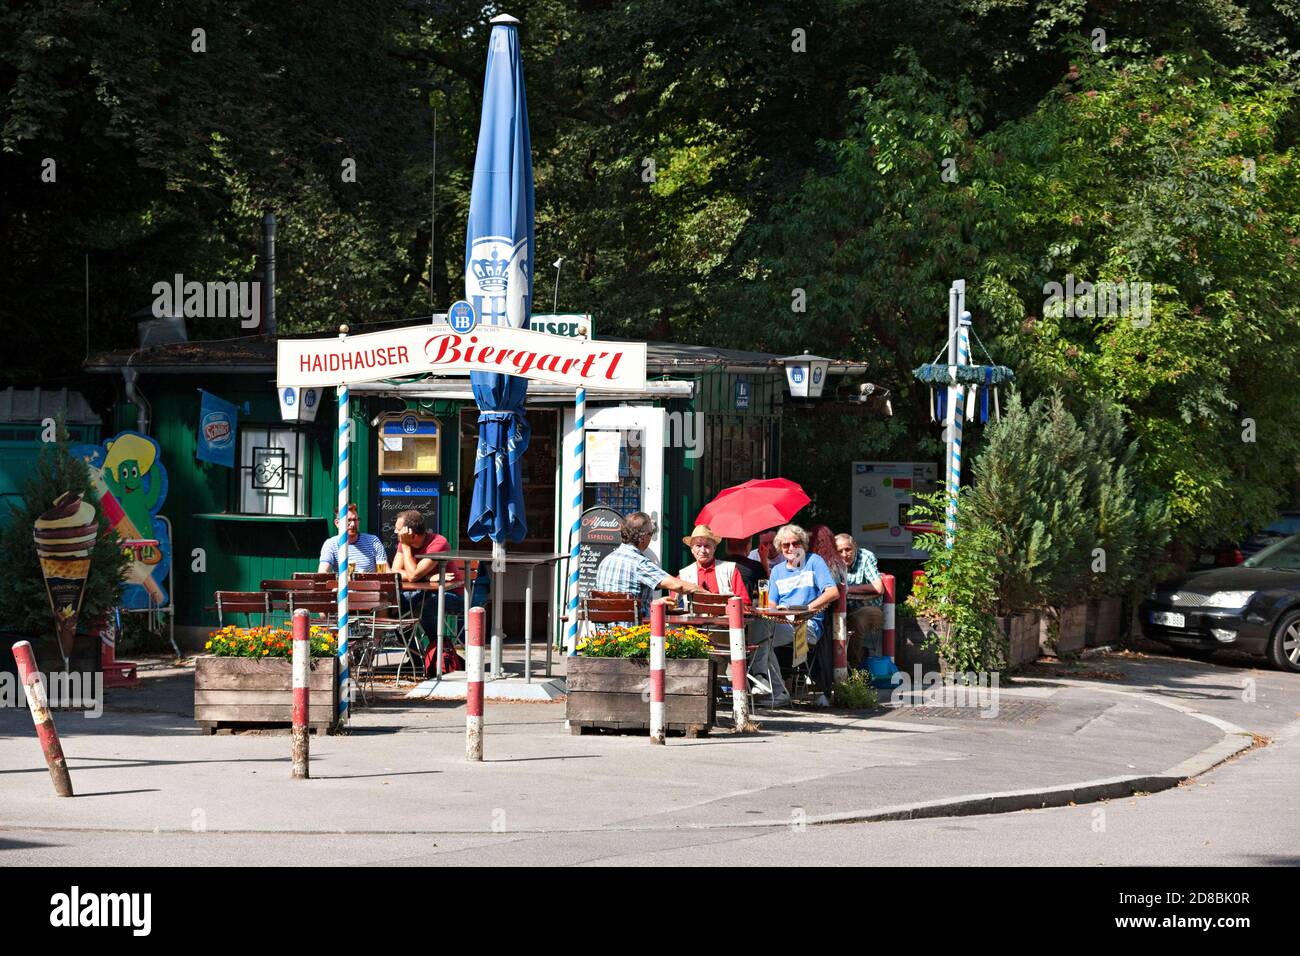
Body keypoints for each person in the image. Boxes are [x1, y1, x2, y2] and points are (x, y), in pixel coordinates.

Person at [767, 523, 840, 704]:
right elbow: (771, 605)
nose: (791, 548)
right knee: (756, 636)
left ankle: (776, 691)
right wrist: (779, 613)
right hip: (783, 623)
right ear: (780, 548)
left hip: (807, 626)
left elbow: (833, 592)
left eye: (796, 543)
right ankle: (776, 689)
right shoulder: (777, 571)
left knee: (760, 638)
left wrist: (806, 608)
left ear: (803, 544)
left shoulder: (813, 561)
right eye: (786, 545)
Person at [594, 512, 702, 620]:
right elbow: (679, 586)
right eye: (651, 533)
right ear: (642, 537)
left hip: (605, 634)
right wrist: (705, 592)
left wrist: (655, 603)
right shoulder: (639, 563)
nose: (651, 538)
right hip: (634, 633)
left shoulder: (605, 561)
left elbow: (619, 605)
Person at [390, 510, 464, 642]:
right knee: (396, 605)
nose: (396, 533)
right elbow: (395, 572)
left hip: (452, 595)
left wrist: (406, 547)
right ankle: (415, 656)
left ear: (410, 532)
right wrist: (427, 577)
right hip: (422, 593)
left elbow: (413, 576)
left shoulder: (438, 543)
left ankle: (438, 652)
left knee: (425, 606)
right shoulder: (404, 543)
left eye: (398, 529)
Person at [836, 533, 884, 667]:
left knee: (855, 620)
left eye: (848, 549)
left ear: (855, 547)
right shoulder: (833, 562)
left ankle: (854, 668)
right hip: (843, 609)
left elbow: (878, 587)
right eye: (840, 551)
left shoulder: (864, 557)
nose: (845, 554)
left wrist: (848, 589)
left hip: (870, 608)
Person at [677, 525, 750, 604]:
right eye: (698, 545)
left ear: (714, 548)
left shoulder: (730, 569)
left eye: (707, 546)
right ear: (692, 549)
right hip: (693, 616)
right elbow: (673, 602)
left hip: (724, 616)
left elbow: (744, 602)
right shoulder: (684, 574)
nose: (703, 550)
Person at [317, 503, 387, 574]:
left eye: (355, 520)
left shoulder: (373, 541)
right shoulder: (331, 544)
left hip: (370, 584)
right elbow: (323, 572)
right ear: (337, 523)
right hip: (343, 584)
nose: (353, 524)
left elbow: (386, 571)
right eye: (348, 520)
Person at [724, 536, 768, 601]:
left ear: (727, 546)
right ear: (748, 546)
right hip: (745, 608)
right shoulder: (755, 566)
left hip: (721, 608)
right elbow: (764, 595)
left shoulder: (718, 564)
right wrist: (764, 560)